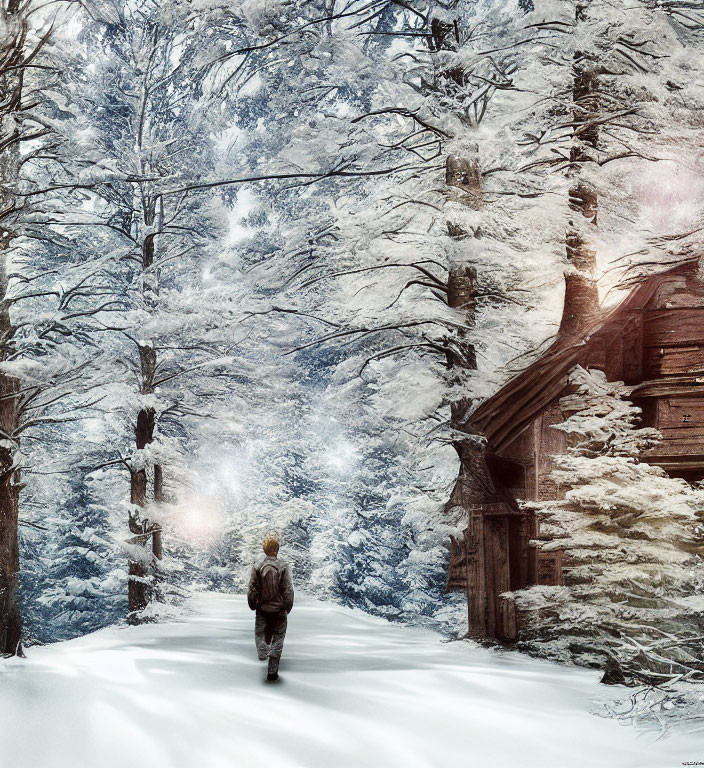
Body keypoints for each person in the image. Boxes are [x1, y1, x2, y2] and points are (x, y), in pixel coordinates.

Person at [247, 533, 294, 682]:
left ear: (264, 549)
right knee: (278, 638)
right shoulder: (283, 566)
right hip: (279, 610)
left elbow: (252, 588)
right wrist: (287, 606)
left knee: (260, 632)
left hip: (262, 609)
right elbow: (288, 589)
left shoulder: (257, 565)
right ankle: (272, 672)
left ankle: (262, 651)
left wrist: (252, 604)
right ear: (277, 549)